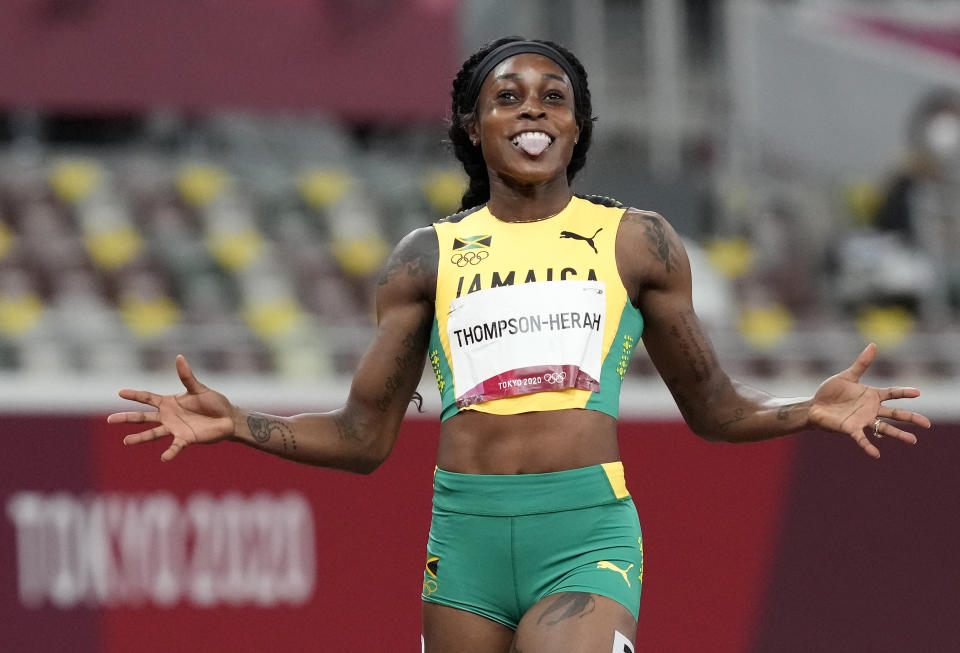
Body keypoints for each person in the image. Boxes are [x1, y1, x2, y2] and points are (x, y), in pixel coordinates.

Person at [108, 37, 931, 653]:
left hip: (583, 533)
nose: (532, 108)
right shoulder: (425, 257)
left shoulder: (636, 242)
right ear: (474, 126)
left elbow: (713, 412)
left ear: (578, 127)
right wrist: (240, 422)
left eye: (553, 95)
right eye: (508, 96)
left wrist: (804, 410)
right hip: (462, 543)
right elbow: (364, 440)